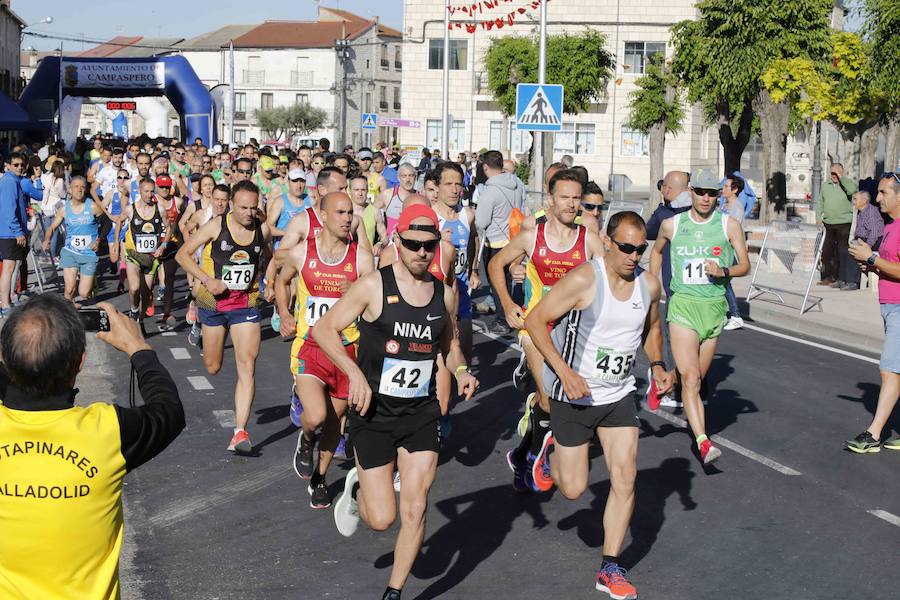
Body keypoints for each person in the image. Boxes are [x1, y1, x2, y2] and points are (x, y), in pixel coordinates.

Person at [319, 204, 477, 600]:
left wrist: (460, 372)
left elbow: (450, 347)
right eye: (413, 243)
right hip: (373, 414)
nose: (422, 252)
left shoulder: (444, 295)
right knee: (381, 519)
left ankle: (394, 592)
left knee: (415, 508)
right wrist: (353, 372)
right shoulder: (374, 285)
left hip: (421, 413)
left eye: (429, 245)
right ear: (398, 241)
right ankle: (357, 494)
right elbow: (324, 329)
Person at [524, 211, 673, 600]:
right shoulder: (585, 279)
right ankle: (549, 450)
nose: (633, 256)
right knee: (572, 489)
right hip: (573, 394)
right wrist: (563, 372)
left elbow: (653, 329)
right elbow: (536, 321)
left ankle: (610, 566)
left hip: (619, 395)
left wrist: (657, 364)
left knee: (625, 475)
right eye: (625, 247)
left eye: (640, 249)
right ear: (607, 241)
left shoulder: (649, 285)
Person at [0, 294, 184, 599]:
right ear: (80, 363)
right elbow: (169, 411)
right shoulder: (108, 430)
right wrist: (137, 348)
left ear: (6, 358)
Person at [488, 169, 605, 493]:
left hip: (574, 332)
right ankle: (542, 458)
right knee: (552, 397)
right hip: (536, 327)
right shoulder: (532, 236)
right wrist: (508, 303)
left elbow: (610, 280)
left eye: (575, 198)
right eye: (564, 197)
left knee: (556, 399)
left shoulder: (589, 240)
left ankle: (522, 453)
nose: (570, 204)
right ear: (550, 200)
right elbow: (496, 264)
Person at [275, 192, 374, 508]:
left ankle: (319, 478)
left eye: (351, 213)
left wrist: (358, 292)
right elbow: (282, 280)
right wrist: (286, 313)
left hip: (347, 352)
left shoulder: (360, 258)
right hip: (311, 348)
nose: (348, 219)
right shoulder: (302, 252)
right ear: (324, 216)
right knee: (315, 416)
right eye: (341, 212)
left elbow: (374, 306)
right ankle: (305, 442)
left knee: (334, 424)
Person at [649, 168, 750, 465]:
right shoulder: (672, 224)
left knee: (694, 376)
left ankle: (665, 380)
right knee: (692, 380)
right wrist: (653, 285)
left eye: (712, 193)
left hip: (713, 308)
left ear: (718, 196)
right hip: (682, 305)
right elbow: (655, 252)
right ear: (691, 192)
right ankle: (704, 442)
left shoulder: (729, 225)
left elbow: (744, 265)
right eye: (700, 192)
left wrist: (724, 271)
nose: (706, 198)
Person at [175, 180, 272, 453]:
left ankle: (240, 432)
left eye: (253, 208)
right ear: (231, 204)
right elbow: (183, 255)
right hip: (213, 304)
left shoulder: (259, 229)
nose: (248, 213)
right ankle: (199, 328)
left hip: (246, 305)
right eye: (243, 207)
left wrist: (271, 281)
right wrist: (207, 280)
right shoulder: (217, 225)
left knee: (248, 365)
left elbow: (269, 256)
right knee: (213, 367)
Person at [846, 172, 900, 453]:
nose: (877, 198)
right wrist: (873, 265)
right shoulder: (891, 226)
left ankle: (873, 434)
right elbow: (890, 264)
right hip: (890, 305)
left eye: (883, 193)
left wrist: (872, 257)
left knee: (889, 370)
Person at [431, 161, 478, 361]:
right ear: (437, 186)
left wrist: (473, 269)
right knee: (439, 357)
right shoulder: (429, 216)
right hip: (435, 292)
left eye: (458, 184)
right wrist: (438, 242)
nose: (454, 189)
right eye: (448, 184)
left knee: (464, 351)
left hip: (461, 290)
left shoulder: (466, 215)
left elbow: (473, 239)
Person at [42, 176, 109, 304]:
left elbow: (107, 224)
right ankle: (69, 315)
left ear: (86, 190)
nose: (79, 190)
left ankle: (92, 283)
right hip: (70, 252)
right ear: (70, 191)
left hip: (88, 253)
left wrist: (99, 240)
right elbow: (52, 227)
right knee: (69, 289)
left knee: (83, 293)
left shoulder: (93, 207)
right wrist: (47, 239)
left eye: (82, 187)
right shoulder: (64, 210)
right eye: (76, 187)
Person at [181, 183, 231, 346]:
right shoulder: (201, 215)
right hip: (204, 262)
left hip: (225, 265)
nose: (219, 203)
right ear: (211, 198)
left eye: (223, 200)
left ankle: (211, 329)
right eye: (216, 199)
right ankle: (197, 320)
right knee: (197, 293)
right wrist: (191, 250)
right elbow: (186, 229)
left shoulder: (233, 217)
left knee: (218, 299)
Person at [476, 150, 520, 335]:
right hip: (513, 238)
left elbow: (481, 221)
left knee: (497, 284)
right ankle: (510, 315)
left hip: (495, 242)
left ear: (486, 167)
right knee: (509, 282)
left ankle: (503, 320)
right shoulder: (516, 183)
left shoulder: (490, 191)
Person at [124, 179, 171, 327]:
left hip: (151, 257)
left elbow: (170, 227)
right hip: (134, 255)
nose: (150, 194)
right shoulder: (130, 209)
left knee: (146, 294)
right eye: (146, 191)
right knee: (134, 288)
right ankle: (133, 309)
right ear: (139, 191)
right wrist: (116, 245)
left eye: (152, 191)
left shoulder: (160, 209)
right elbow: (119, 221)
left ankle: (141, 320)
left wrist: (163, 245)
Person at [816, 162, 857, 287]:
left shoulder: (847, 184)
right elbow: (820, 201)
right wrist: (818, 217)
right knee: (827, 252)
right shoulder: (825, 185)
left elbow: (852, 190)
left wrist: (841, 178)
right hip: (829, 223)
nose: (833, 175)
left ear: (841, 172)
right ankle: (828, 277)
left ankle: (842, 278)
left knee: (842, 252)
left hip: (844, 223)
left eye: (836, 173)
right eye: (832, 173)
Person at [0, 153, 31, 315]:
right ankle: (5, 304)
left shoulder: (12, 180)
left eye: (22, 164)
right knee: (9, 268)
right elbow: (9, 209)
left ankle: (7, 301)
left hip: (9, 232)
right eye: (16, 164)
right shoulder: (10, 181)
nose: (20, 167)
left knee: (10, 268)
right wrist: (18, 231)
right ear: (9, 165)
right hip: (9, 233)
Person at [839, 191, 884, 292]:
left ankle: (853, 282)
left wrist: (867, 246)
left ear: (864, 200)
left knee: (853, 251)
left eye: (856, 199)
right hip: (862, 239)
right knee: (842, 250)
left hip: (874, 240)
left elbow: (874, 232)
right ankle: (842, 279)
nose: (853, 201)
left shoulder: (870, 211)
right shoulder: (860, 211)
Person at [720, 174, 746, 330]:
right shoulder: (724, 205)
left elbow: (732, 231)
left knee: (723, 282)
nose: (722, 189)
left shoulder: (737, 208)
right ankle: (725, 314)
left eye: (725, 187)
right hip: (720, 250)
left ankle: (735, 315)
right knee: (720, 282)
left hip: (729, 251)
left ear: (734, 189)